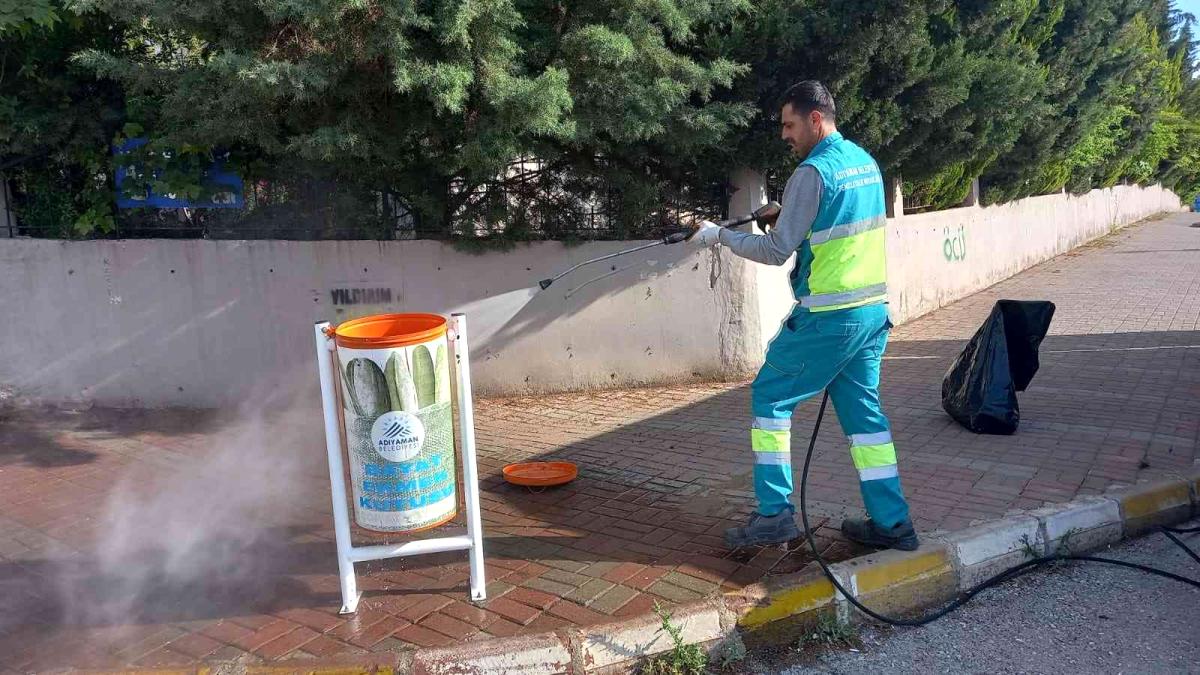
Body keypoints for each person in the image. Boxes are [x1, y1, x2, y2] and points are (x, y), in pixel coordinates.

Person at [691, 80, 918, 551]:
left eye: (789, 124)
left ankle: (773, 515)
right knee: (864, 418)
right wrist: (788, 214)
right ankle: (893, 523)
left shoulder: (811, 174)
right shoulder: (864, 163)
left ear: (816, 120)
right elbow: (834, 226)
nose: (784, 135)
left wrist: (718, 236)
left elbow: (776, 252)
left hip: (827, 318)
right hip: (871, 315)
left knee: (770, 398)